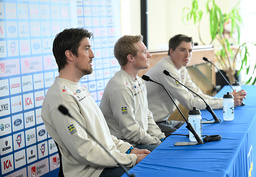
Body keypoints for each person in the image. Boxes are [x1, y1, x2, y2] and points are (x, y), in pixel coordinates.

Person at [41, 28, 150, 177]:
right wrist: (130, 158)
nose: (92, 55)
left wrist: (129, 150)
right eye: (86, 49)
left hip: (105, 164)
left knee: (154, 162)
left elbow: (103, 136)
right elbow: (84, 151)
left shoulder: (78, 89)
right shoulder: (61, 97)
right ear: (70, 55)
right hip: (92, 172)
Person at [145, 34, 247, 136]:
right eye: (182, 50)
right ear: (171, 51)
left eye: (190, 50)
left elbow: (198, 95)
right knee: (192, 134)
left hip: (162, 121)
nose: (187, 55)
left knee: (200, 129)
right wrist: (226, 103)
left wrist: (226, 101)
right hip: (151, 124)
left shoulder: (181, 68)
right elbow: (190, 103)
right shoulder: (166, 69)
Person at [99, 35, 166, 151]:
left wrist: (161, 138)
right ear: (131, 58)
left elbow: (147, 115)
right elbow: (130, 131)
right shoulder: (120, 86)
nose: (149, 55)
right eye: (144, 52)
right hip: (127, 147)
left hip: (140, 141)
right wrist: (156, 143)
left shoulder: (139, 81)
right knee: (165, 155)